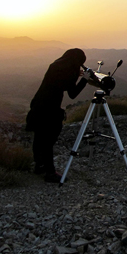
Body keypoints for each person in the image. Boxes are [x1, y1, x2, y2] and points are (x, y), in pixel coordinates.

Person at [25, 48, 97, 182]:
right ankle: (50, 173)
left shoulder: (57, 66)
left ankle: (39, 165)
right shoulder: (68, 71)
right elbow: (72, 93)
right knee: (48, 140)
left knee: (39, 137)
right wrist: (84, 79)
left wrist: (75, 74)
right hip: (49, 109)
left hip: (38, 105)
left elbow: (62, 83)